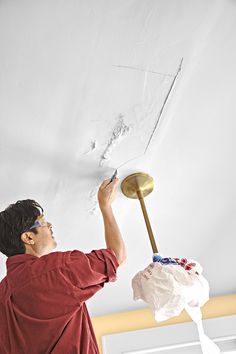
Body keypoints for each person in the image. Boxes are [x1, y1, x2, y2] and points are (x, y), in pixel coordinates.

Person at [0, 177, 126, 354]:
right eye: (43, 222)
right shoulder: (56, 270)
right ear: (28, 237)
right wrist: (105, 205)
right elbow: (115, 257)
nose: (50, 225)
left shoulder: (3, 294)